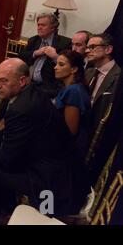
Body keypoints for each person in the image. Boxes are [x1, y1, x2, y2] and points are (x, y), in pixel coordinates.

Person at [0, 58, 74, 224]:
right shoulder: (30, 93)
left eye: (4, 81)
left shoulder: (21, 108)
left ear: (22, 80)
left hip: (49, 180)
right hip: (49, 160)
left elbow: (9, 160)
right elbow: (16, 135)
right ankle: (7, 206)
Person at [54, 50, 91, 212]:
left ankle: (45, 210)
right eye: (56, 63)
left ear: (74, 69)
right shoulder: (69, 88)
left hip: (67, 155)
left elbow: (70, 131)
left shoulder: (74, 91)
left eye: (61, 64)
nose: (56, 67)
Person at [84, 33, 121, 184]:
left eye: (93, 47)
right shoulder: (89, 72)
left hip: (104, 136)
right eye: (87, 47)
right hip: (85, 131)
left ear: (108, 49)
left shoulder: (119, 76)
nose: (87, 50)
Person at [19, 13, 72, 98]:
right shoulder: (33, 40)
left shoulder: (64, 43)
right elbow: (21, 57)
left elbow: (69, 66)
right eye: (38, 25)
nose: (39, 28)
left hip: (50, 87)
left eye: (43, 25)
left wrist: (55, 57)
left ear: (52, 27)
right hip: (30, 84)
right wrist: (35, 53)